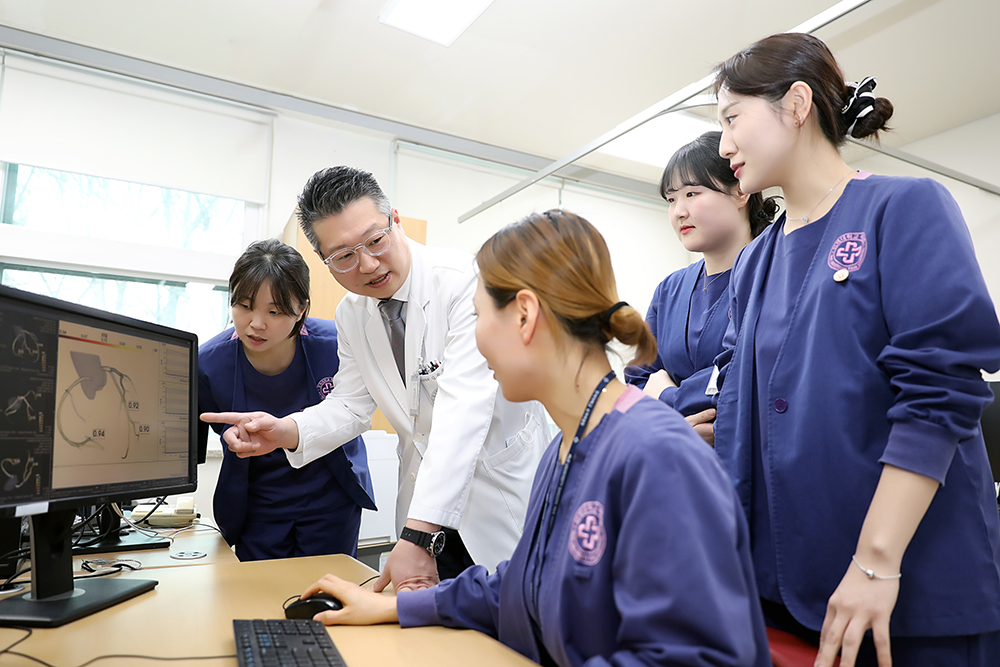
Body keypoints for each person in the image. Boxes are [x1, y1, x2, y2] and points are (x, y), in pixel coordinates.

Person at [295, 209, 771, 667]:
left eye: (478, 316)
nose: (474, 341)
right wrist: (397, 607)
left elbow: (697, 654)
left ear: (524, 315)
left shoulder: (657, 457)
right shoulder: (565, 451)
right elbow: (527, 587)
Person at [710, 32, 1000, 667]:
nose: (723, 144)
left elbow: (939, 390)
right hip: (784, 586)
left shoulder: (904, 207)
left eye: (732, 118)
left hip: (906, 584)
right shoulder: (754, 260)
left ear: (796, 104)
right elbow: (739, 401)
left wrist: (875, 562)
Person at [202, 166, 548, 590]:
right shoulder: (353, 314)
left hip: (501, 500)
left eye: (375, 240)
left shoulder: (464, 285)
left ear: (395, 220)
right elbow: (350, 405)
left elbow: (464, 415)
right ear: (325, 261)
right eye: (343, 256)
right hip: (425, 508)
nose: (366, 264)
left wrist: (417, 534)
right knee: (433, 624)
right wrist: (286, 431)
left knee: (515, 615)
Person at [198, 239, 375, 561]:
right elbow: (210, 430)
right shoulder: (208, 363)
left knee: (327, 588)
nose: (256, 323)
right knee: (262, 589)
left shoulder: (336, 345)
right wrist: (231, 436)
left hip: (331, 499)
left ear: (301, 309)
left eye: (275, 311)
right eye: (244, 306)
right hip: (258, 505)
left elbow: (355, 412)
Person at [625, 131, 777, 444]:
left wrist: (667, 396)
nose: (678, 211)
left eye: (692, 193)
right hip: (678, 456)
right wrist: (677, 427)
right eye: (671, 200)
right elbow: (637, 381)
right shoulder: (670, 290)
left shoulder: (774, 274)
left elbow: (751, 376)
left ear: (740, 192)